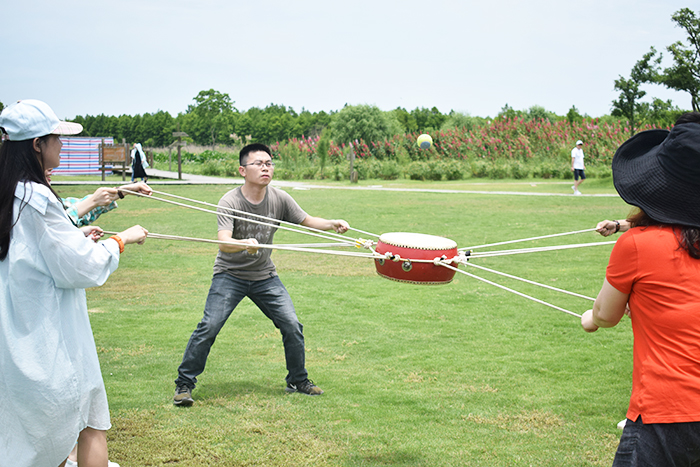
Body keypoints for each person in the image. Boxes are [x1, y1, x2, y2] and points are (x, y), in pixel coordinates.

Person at [0, 99, 149, 467]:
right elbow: (80, 267)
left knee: (23, 432)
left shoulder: (10, 193)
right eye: (56, 138)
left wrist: (75, 235)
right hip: (48, 333)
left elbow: (34, 255)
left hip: (17, 331)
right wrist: (121, 240)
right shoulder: (35, 198)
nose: (62, 145)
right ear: (37, 144)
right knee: (88, 420)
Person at [173, 143, 349, 406]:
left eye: (269, 163)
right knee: (209, 327)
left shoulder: (279, 198)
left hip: (264, 276)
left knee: (292, 325)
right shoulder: (229, 201)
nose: (266, 167)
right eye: (259, 163)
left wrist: (332, 224)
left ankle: (297, 380)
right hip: (230, 275)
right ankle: (184, 385)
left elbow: (307, 221)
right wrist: (245, 243)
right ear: (243, 170)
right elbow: (223, 242)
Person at [581, 112, 700, 465]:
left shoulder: (638, 246)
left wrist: (590, 317)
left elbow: (605, 314)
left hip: (669, 413)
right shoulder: (638, 240)